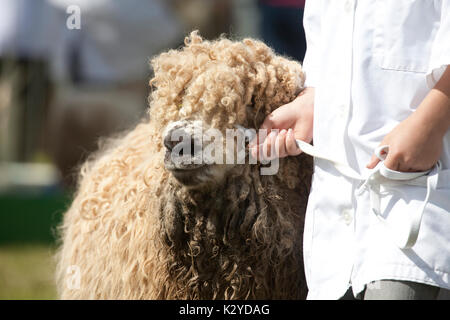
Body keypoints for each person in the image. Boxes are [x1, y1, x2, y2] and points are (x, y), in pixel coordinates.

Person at [251, 0, 450, 300]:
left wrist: (432, 122)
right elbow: (330, 42)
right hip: (333, 228)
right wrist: (313, 101)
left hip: (415, 213)